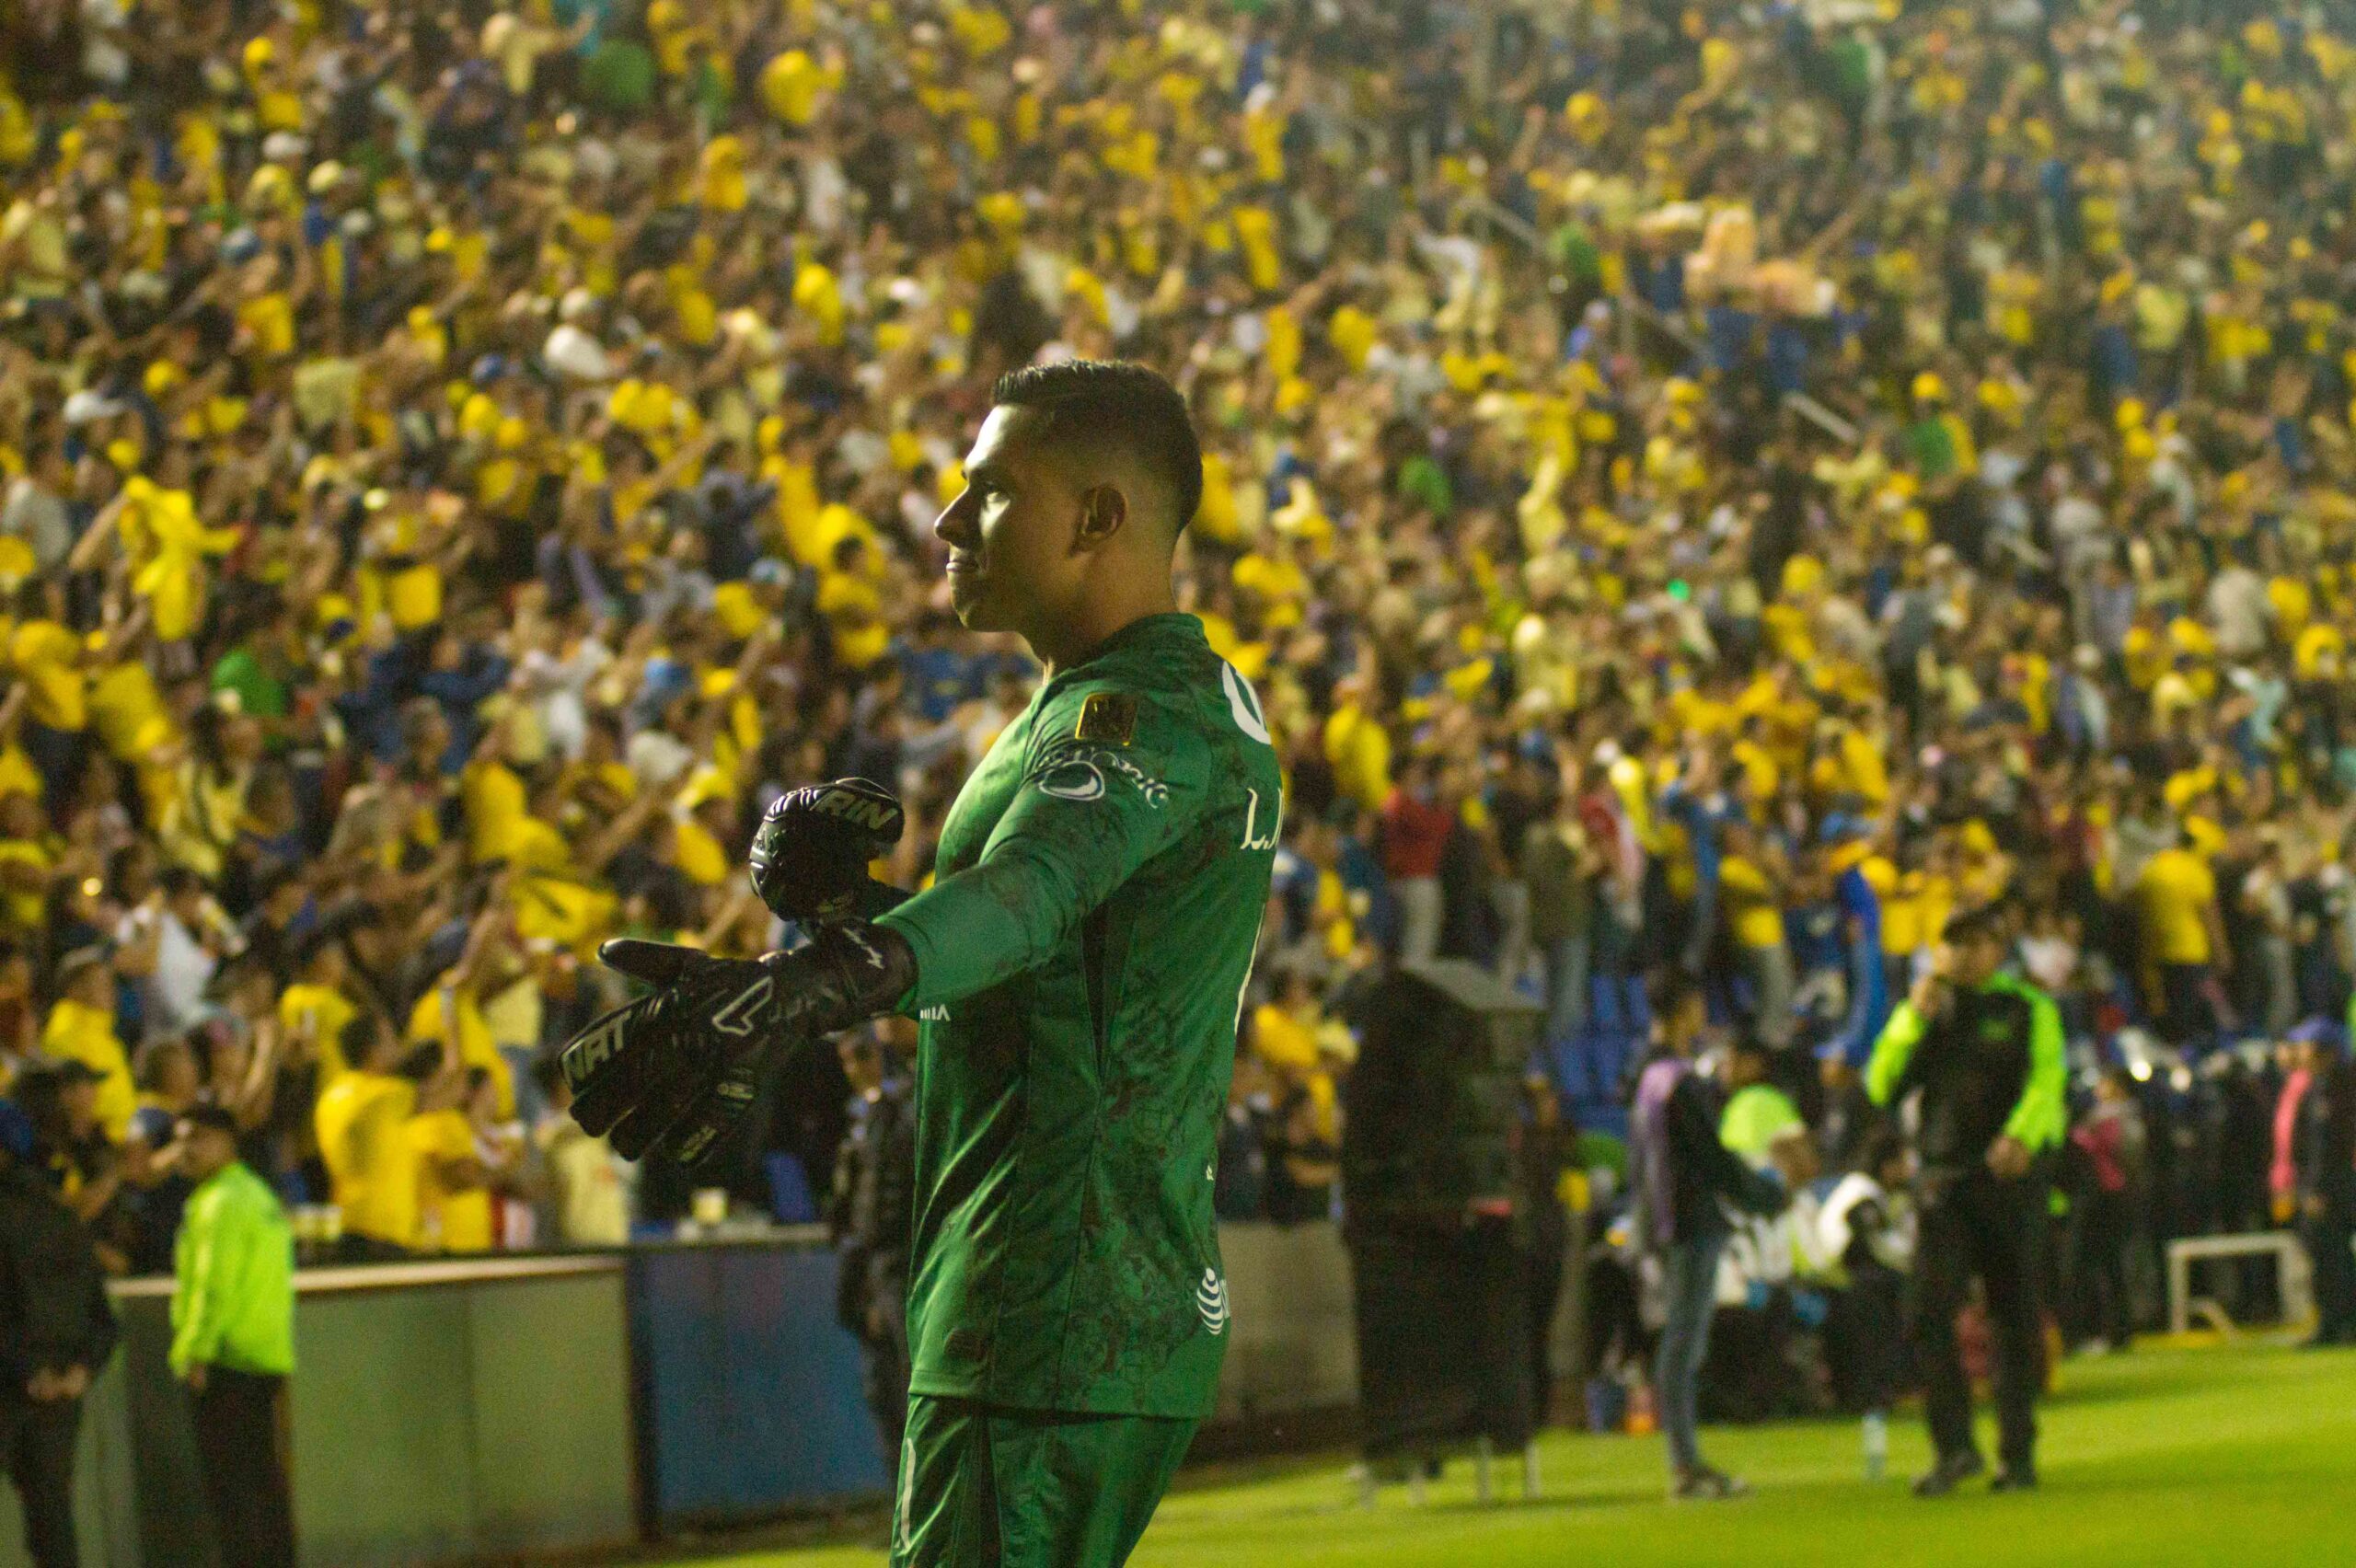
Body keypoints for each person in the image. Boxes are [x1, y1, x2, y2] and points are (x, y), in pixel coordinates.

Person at [560, 362, 1283, 1566]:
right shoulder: (1139, 698)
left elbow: (1030, 893)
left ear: (1097, 517)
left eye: (991, 491)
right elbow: (1051, 963)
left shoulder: (1134, 714)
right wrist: (858, 913)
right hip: (1072, 1283)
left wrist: (817, 981)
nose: (949, 522)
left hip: (1048, 1286)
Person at [1867, 904, 2067, 1495]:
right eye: (1953, 944)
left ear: (1998, 951)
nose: (1963, 955)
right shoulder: (1926, 1010)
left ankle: (2017, 1455)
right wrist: (1912, 1020)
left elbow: (2047, 1081)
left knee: (2015, 1320)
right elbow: (1881, 1085)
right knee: (1925, 1314)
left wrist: (2021, 1136)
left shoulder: (2027, 1007)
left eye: (1977, 943)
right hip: (1945, 1184)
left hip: (2010, 1185)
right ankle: (1955, 1449)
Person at [1627, 979, 1788, 1501]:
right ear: (1683, 1012)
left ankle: (1686, 1461)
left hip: (1664, 1221)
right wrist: (1766, 1195)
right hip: (1689, 1224)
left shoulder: (1647, 1076)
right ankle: (1686, 1464)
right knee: (1682, 1343)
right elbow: (1712, 1161)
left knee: (1681, 1341)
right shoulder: (1678, 1082)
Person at [168, 1100, 296, 1568]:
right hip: (265, 1355)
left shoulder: (217, 1202)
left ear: (228, 1142)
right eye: (181, 1140)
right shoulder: (257, 1194)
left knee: (231, 1491)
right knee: (264, 1482)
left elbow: (212, 1286)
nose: (186, 1150)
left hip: (225, 1361)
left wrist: (195, 1353)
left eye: (198, 1139)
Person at [0, 1096, 118, 1568]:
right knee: (53, 1524)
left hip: (15, 1384)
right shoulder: (64, 1217)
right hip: (61, 1393)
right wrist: (79, 1371)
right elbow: (103, 1321)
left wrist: (28, 1372)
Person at [828, 1022, 917, 1472]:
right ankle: (901, 1499)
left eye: (863, 1054)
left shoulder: (901, 1108)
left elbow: (893, 1199)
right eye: (848, 1058)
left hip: (900, 1264)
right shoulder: (862, 1118)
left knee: (910, 1388)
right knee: (883, 1393)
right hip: (872, 1270)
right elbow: (854, 1205)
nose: (856, 1067)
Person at [2285, 1020, 2356, 1347]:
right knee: (2328, 1256)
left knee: (2332, 1256)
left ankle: (2338, 1323)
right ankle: (2334, 1322)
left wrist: (2317, 1189)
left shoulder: (2338, 1088)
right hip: (2322, 1185)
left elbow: (2329, 1148)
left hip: (2334, 1186)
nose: (2299, 1053)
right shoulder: (2318, 1086)